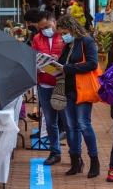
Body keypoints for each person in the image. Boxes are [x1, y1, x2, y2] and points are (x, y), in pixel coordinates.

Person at [56, 15, 99, 178]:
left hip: (82, 90)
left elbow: (92, 64)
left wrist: (67, 68)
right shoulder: (68, 45)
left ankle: (94, 161)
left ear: (73, 28)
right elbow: (65, 66)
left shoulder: (86, 42)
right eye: (61, 33)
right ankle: (76, 161)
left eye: (65, 32)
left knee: (84, 125)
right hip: (68, 91)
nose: (63, 36)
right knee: (71, 126)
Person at [32, 11, 68, 165]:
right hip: (45, 84)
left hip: (63, 84)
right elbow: (32, 58)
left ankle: (75, 153)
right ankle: (55, 152)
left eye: (46, 26)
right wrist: (37, 67)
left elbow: (72, 58)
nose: (44, 30)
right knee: (50, 121)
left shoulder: (64, 37)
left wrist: (58, 60)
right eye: (41, 28)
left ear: (54, 21)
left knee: (68, 122)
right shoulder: (36, 38)